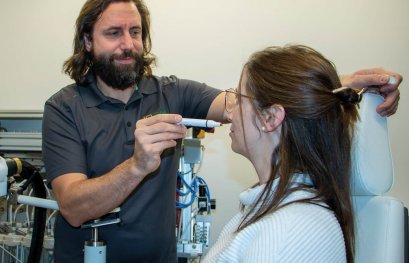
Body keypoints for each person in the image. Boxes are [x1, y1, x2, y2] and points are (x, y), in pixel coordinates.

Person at [41, 0, 402, 262]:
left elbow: (257, 102)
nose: (128, 44)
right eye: (114, 33)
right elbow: (73, 208)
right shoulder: (64, 108)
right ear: (88, 41)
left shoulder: (172, 92)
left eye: (135, 32)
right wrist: (137, 165)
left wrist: (341, 86)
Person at [202, 44, 364, 263]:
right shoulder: (268, 211)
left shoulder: (288, 232)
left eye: (239, 98)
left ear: (270, 117)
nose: (229, 112)